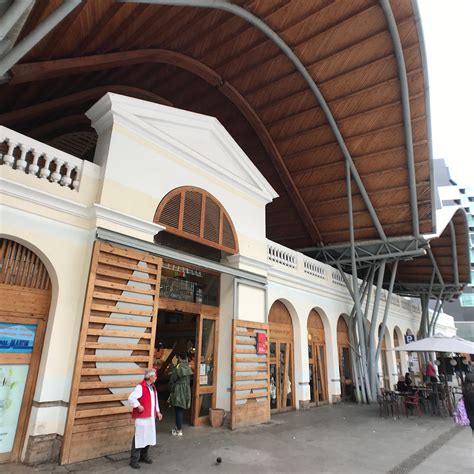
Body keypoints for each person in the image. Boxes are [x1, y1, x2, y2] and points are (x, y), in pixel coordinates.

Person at [128, 369, 163, 469]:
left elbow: (155, 401)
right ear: (150, 377)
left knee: (148, 436)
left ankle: (144, 456)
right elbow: (131, 398)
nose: (156, 378)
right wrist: (138, 406)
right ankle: (134, 460)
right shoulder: (140, 387)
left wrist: (158, 411)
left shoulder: (153, 387)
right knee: (139, 437)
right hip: (142, 418)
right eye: (155, 376)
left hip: (150, 416)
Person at [169, 352, 193, 437]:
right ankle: (178, 427)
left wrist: (171, 390)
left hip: (179, 390)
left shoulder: (178, 367)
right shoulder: (188, 367)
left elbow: (172, 380)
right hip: (187, 389)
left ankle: (179, 430)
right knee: (181, 409)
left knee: (178, 410)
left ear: (179, 358)